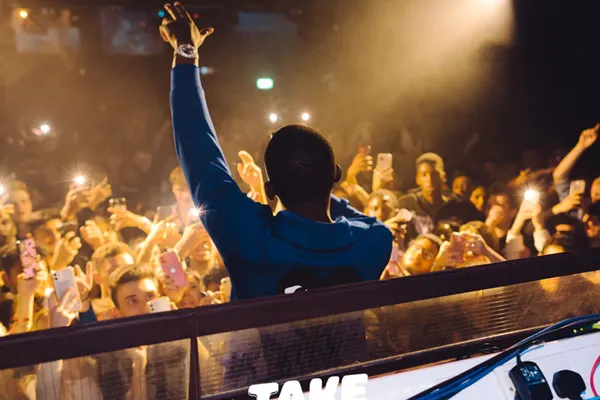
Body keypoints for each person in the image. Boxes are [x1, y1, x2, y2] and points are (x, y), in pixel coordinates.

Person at [163, 4, 392, 301]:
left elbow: (196, 147)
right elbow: (353, 216)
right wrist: (317, 176)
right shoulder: (374, 241)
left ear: (270, 190)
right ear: (336, 174)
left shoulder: (248, 239)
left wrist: (186, 50)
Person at [397, 153, 482, 240]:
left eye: (434, 174)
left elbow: (481, 230)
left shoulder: (462, 206)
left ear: (443, 177)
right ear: (417, 179)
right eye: (424, 175)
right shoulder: (407, 204)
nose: (429, 179)